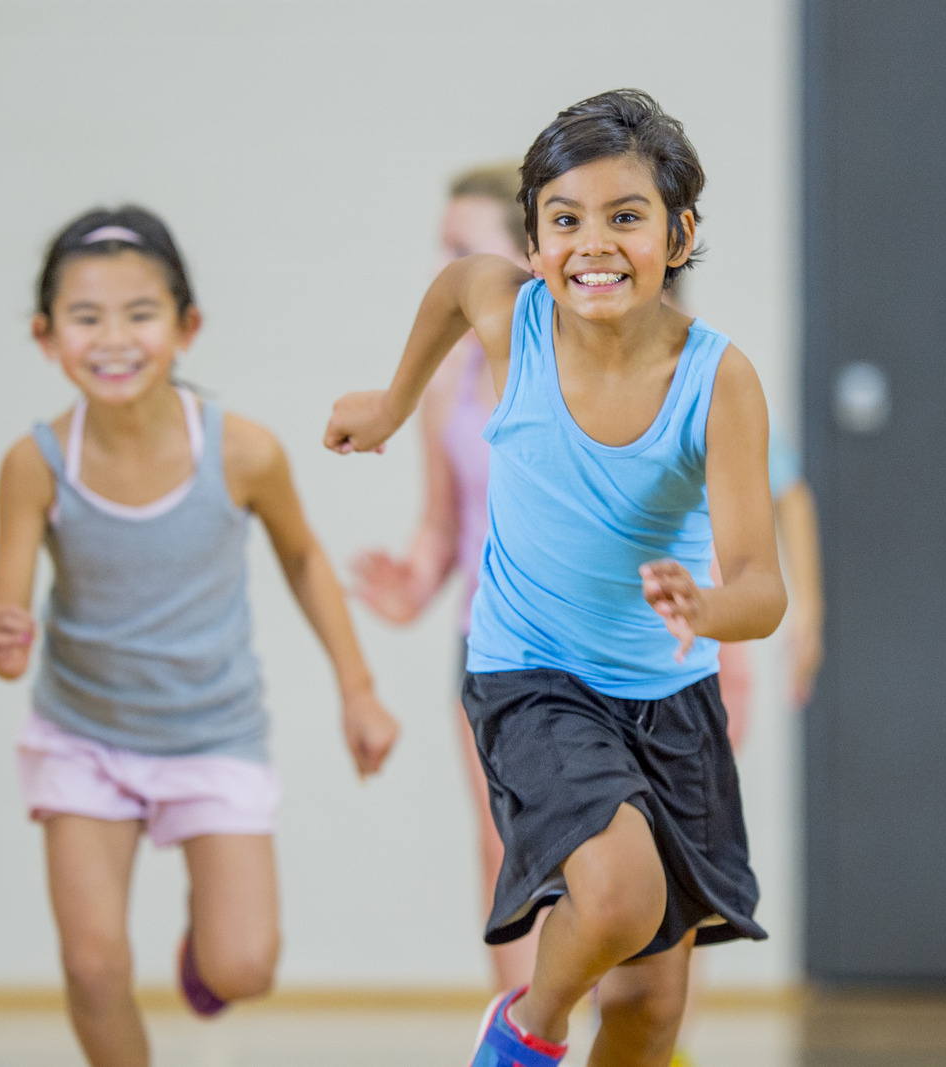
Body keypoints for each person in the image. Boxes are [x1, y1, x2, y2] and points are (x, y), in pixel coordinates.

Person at [327, 89, 784, 1067]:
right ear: (534, 238)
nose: (593, 244)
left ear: (679, 231)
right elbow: (460, 280)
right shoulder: (513, 319)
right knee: (618, 894)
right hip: (532, 676)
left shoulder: (717, 379)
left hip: (668, 694)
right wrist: (394, 402)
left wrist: (705, 604)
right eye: (564, 220)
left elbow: (762, 587)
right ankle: (526, 1026)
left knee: (653, 1004)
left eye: (625, 216)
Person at [0, 207, 398, 1067]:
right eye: (85, 318)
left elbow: (304, 558)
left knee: (243, 965)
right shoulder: (35, 464)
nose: (114, 339)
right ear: (45, 335)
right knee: (93, 967)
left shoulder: (242, 453)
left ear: (186, 327)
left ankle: (205, 955)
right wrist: (3, 643)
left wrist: (357, 689)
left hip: (213, 731)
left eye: (140, 314)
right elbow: (9, 622)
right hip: (84, 736)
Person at [349, 161, 547, 990]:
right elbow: (444, 523)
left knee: (609, 856)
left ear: (528, 257)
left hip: (591, 639)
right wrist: (413, 577)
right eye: (443, 252)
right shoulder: (450, 383)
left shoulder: (581, 370)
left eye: (463, 251)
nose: (447, 274)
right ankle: (522, 1034)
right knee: (504, 839)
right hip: (488, 639)